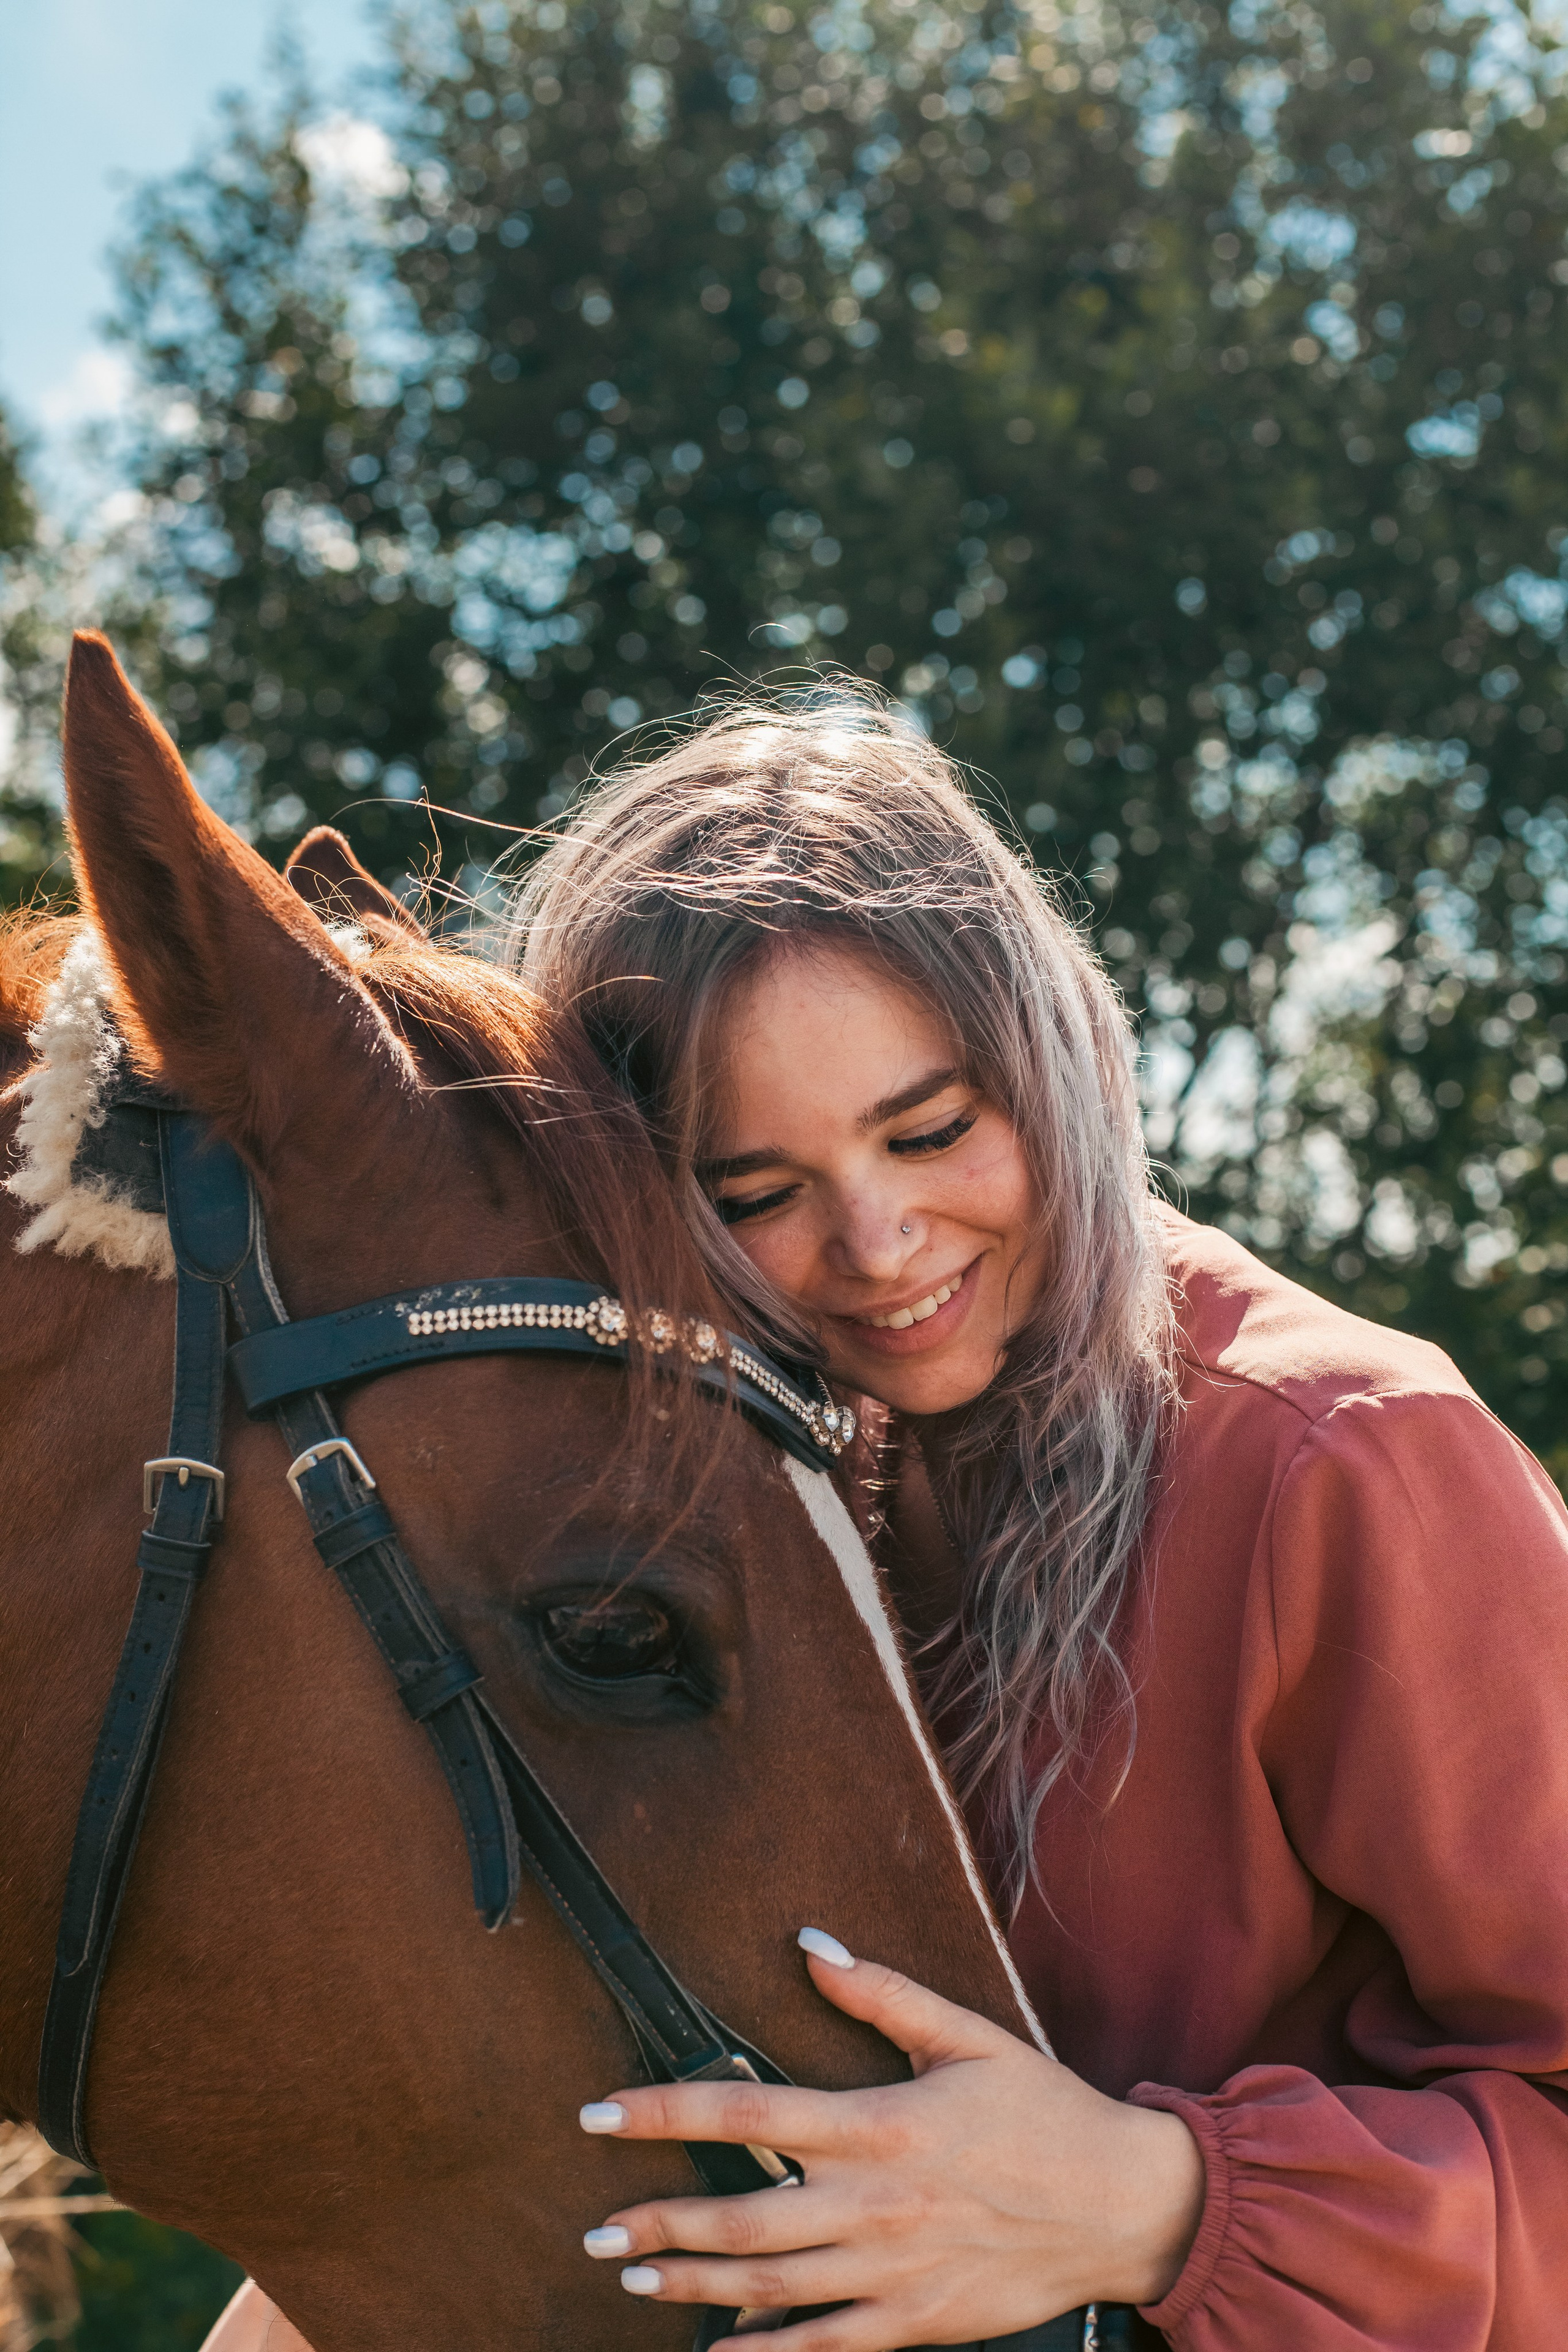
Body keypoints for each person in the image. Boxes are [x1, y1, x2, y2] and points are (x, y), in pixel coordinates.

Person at [209, 688, 1568, 2350]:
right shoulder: (687, 1490)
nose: (878, 1243)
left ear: (1054, 1060)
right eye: (754, 1193)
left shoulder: (1346, 1464)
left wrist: (1162, 2203)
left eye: (932, 1130)